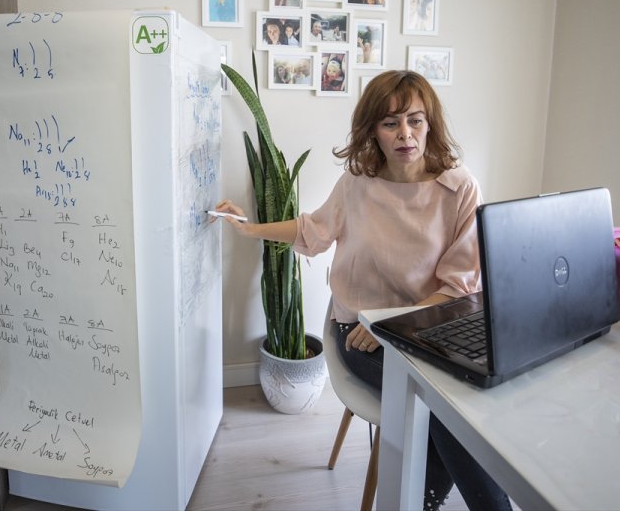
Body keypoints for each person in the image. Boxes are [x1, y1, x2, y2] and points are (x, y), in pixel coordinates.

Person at [213, 70, 512, 511]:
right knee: (443, 408)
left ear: (430, 123)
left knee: (454, 406)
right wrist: (248, 228)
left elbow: (459, 285)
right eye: (390, 123)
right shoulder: (357, 183)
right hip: (360, 331)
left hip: (432, 330)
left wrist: (397, 325)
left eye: (415, 120)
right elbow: (313, 231)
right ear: (373, 130)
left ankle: (421, 500)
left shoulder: (459, 188)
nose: (405, 134)